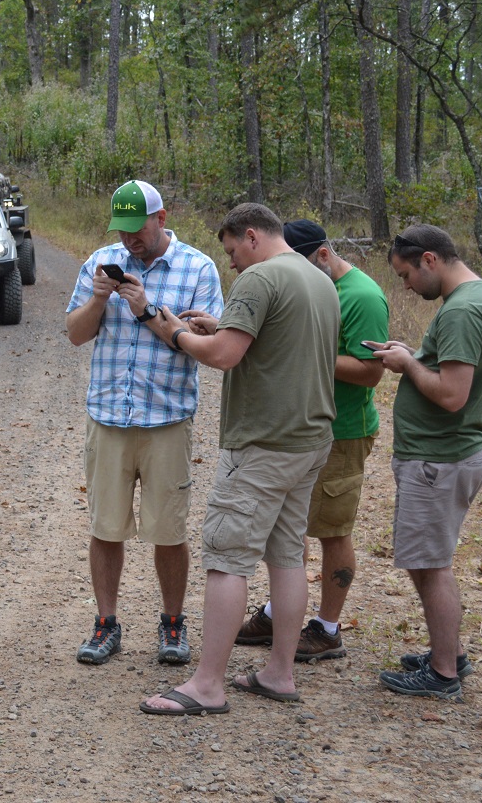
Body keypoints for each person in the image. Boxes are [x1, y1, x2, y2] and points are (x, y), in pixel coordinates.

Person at [138, 202, 338, 715]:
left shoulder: (259, 280)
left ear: (251, 236)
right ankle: (279, 673)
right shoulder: (319, 280)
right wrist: (218, 325)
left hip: (263, 445)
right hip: (310, 440)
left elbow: (226, 357)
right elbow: (272, 345)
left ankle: (206, 685)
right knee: (286, 555)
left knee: (227, 557)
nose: (231, 265)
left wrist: (176, 334)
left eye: (231, 252)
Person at [65, 180, 223, 667]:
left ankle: (172, 625)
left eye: (138, 230)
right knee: (105, 527)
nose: (130, 240)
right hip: (109, 415)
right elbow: (74, 334)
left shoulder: (198, 267)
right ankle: (105, 623)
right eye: (123, 230)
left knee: (168, 531)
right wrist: (97, 299)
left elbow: (210, 337)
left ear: (161, 217)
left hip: (167, 418)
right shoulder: (100, 261)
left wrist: (147, 309)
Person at [236, 220, 388, 661]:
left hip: (342, 431)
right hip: (301, 430)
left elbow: (370, 371)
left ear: (322, 255)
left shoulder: (360, 296)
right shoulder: (309, 286)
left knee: (331, 530)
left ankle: (326, 628)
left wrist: (306, 349)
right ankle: (277, 612)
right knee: (289, 529)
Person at [371, 224, 482, 701]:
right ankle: (449, 652)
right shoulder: (471, 298)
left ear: (429, 260)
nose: (405, 286)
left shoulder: (463, 310)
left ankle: (444, 674)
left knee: (431, 565)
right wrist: (411, 354)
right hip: (442, 457)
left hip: (440, 459)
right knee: (427, 561)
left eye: (406, 274)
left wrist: (408, 365)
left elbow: (452, 395)